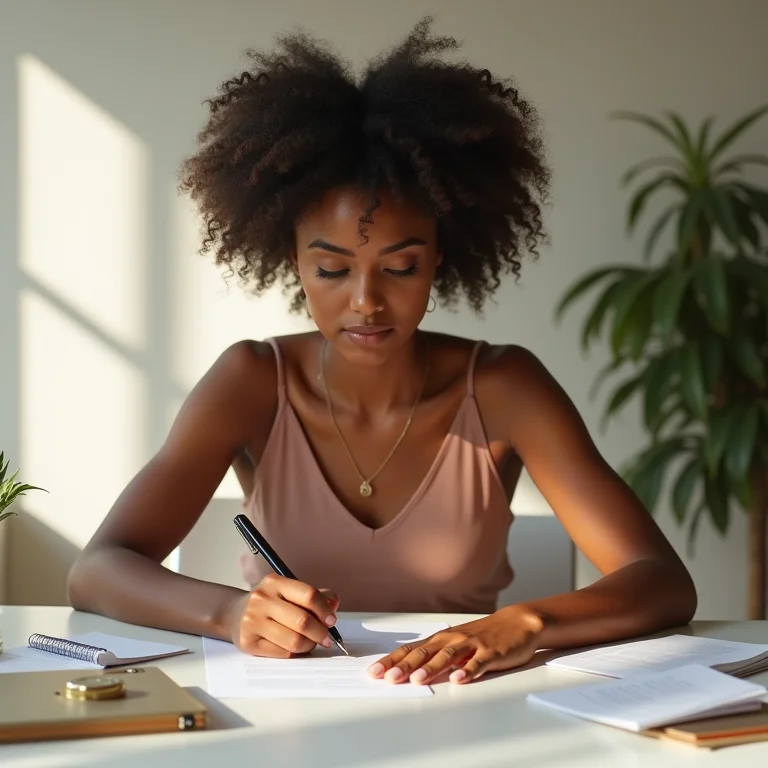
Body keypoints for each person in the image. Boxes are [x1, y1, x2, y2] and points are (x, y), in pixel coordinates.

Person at [67, 17, 696, 687]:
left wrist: (525, 622)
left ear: (439, 258)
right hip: (284, 716)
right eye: (332, 270)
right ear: (294, 261)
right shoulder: (250, 380)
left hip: (461, 707)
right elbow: (96, 570)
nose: (366, 302)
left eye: (400, 268)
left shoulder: (505, 385)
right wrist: (229, 613)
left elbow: (661, 581)